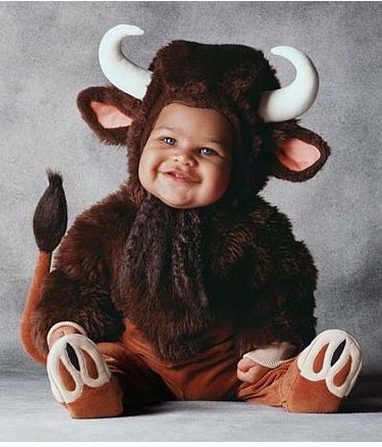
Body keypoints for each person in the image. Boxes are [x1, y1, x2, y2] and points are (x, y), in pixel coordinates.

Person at [21, 25, 363, 418]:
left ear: (243, 165)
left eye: (207, 151)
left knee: (271, 374)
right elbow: (77, 284)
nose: (183, 158)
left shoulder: (259, 230)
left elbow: (283, 294)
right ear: (136, 136)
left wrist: (272, 348)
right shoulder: (110, 222)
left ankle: (304, 384)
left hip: (231, 369)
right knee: (109, 359)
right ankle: (92, 385)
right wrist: (66, 326)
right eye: (168, 140)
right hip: (140, 363)